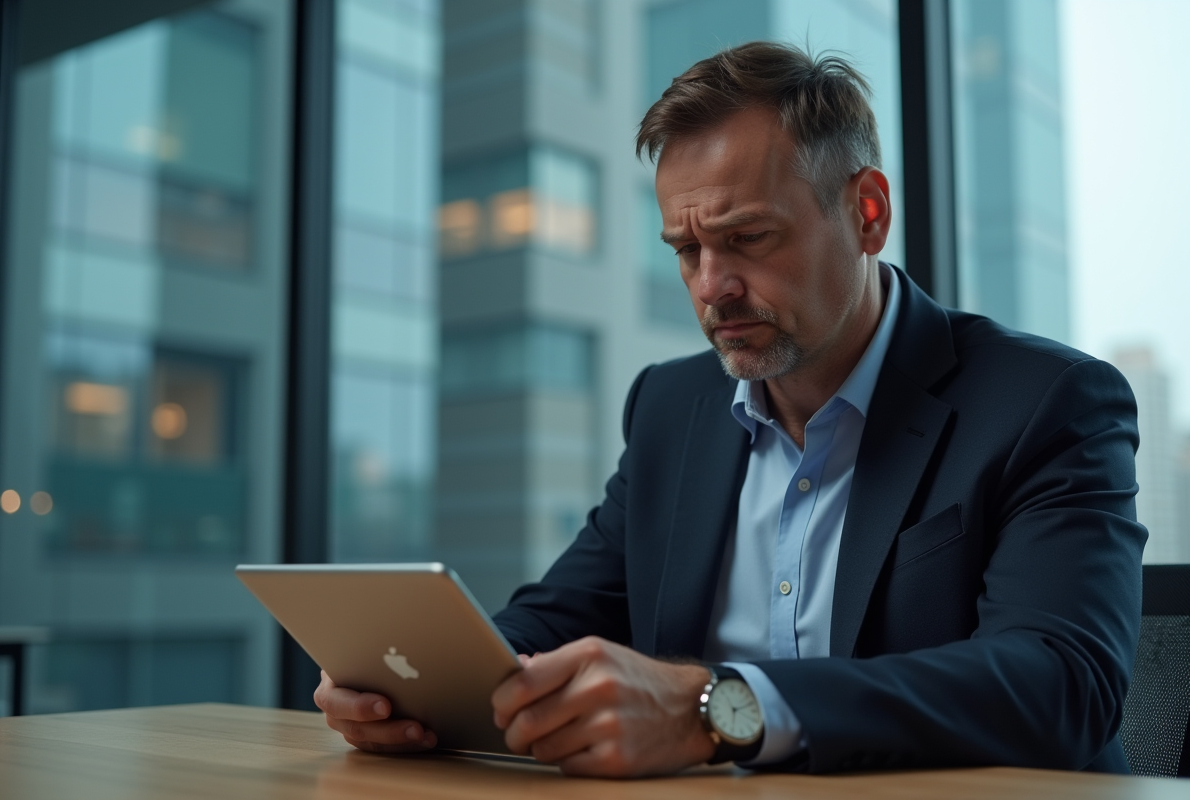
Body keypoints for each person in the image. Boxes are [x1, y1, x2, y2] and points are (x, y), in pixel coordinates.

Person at [315, 42, 1145, 778]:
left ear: (867, 213)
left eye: (747, 238)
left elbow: (1060, 684)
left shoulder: (1047, 402)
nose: (711, 286)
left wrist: (719, 711)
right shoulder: (671, 407)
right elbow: (562, 617)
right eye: (686, 249)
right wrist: (416, 685)